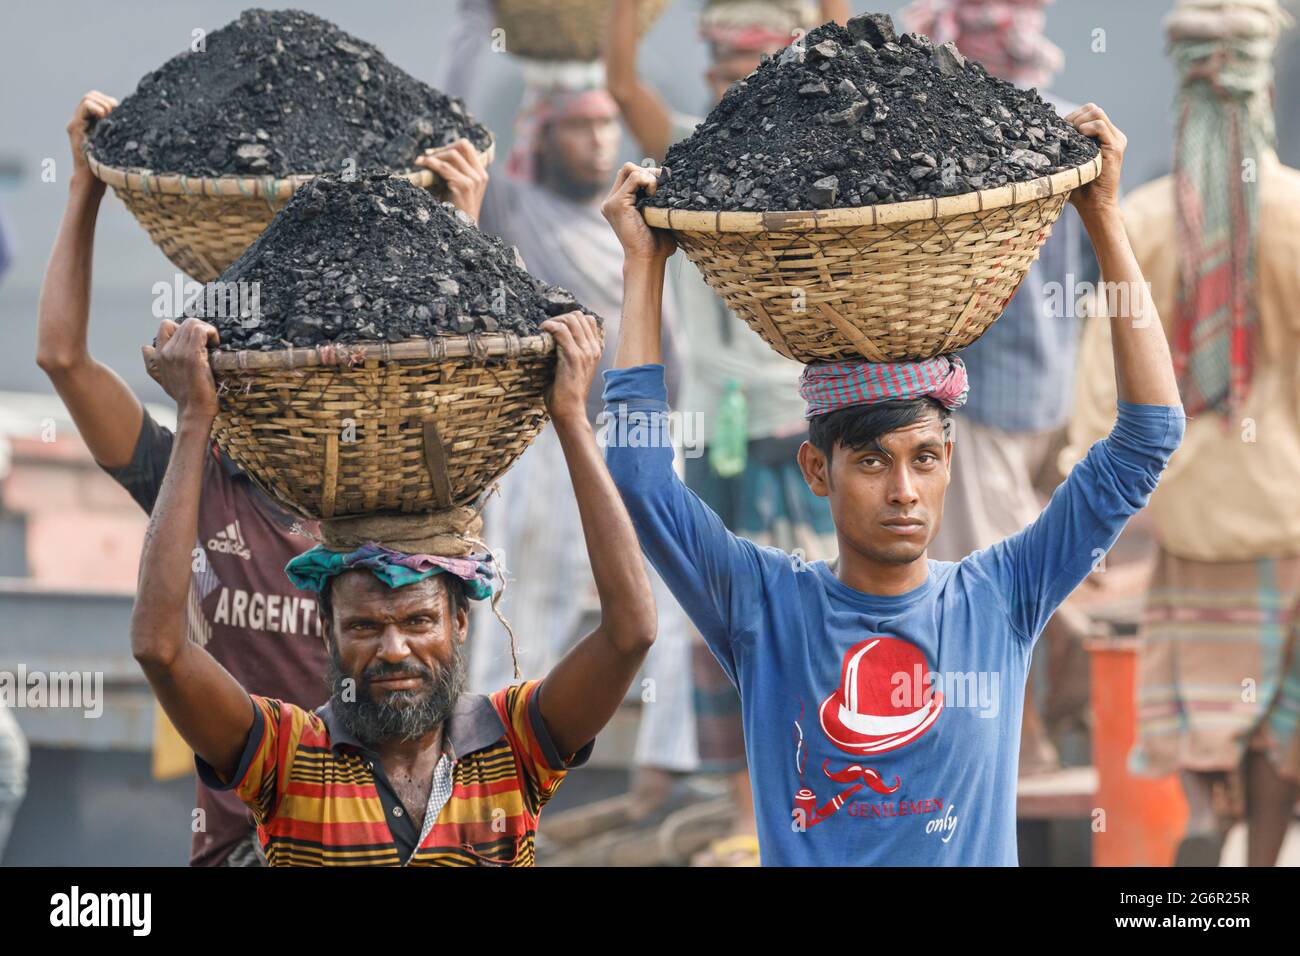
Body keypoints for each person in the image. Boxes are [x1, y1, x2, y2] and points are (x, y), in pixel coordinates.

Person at [600, 104, 1186, 865]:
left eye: (925, 460)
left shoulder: (1002, 596)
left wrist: (1103, 218)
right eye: (872, 461)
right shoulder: (765, 608)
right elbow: (640, 475)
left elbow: (1148, 437)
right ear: (820, 470)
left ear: (949, 463)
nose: (904, 490)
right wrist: (644, 267)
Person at [32, 92, 482, 866]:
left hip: (380, 835)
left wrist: (457, 229)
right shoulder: (195, 477)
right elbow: (63, 361)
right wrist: (84, 187)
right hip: (247, 839)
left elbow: (452, 389)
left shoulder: (382, 498)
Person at [129, 310, 656, 866]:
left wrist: (570, 414)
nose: (394, 650)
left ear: (459, 623)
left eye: (418, 621)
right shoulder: (287, 756)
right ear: (327, 634)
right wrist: (193, 421)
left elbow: (631, 633)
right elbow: (159, 649)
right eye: (363, 626)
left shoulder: (515, 742)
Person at [605, 0, 847, 866]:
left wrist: (824, 16)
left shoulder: (825, 161)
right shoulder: (692, 160)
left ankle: (821, 796)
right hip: (721, 435)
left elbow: (846, 56)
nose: (729, 87)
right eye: (718, 75)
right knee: (728, 626)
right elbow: (623, 85)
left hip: (807, 424)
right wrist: (624, 17)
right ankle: (755, 820)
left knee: (820, 624)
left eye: (745, 71)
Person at [1068, 0, 1300, 867]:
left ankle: (1208, 825)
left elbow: (1103, 381)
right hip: (1288, 519)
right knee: (1281, 716)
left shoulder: (1146, 220)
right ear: (1263, 85)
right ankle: (1260, 852)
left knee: (1201, 702)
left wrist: (1092, 516)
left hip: (1191, 518)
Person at [899, 0, 1099, 775]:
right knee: (1007, 556)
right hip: (1045, 392)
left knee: (987, 580)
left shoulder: (961, 133)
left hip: (979, 393)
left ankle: (1025, 748)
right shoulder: (1064, 130)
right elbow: (1082, 280)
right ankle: (1033, 726)